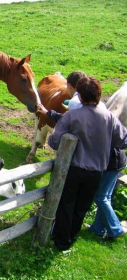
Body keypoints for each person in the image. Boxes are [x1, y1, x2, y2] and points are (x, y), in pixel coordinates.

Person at [48, 77, 127, 251]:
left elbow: (55, 142)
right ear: (98, 94)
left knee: (67, 205)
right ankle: (71, 237)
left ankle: (61, 241)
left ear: (81, 96)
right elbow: (123, 141)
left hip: (75, 169)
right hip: (97, 172)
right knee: (81, 208)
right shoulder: (109, 117)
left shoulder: (72, 116)